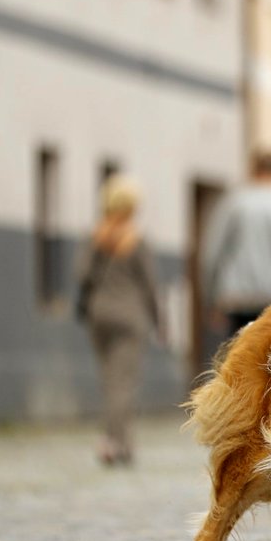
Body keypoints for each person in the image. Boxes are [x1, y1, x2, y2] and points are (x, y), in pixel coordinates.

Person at [76, 175, 162, 467]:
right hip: (131, 315)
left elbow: (82, 274)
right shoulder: (136, 241)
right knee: (123, 382)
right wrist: (159, 319)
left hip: (99, 314)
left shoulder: (95, 237)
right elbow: (150, 284)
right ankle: (116, 442)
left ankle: (119, 440)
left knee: (109, 379)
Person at [201, 151, 271, 338]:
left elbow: (212, 253)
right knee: (267, 359)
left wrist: (210, 298)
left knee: (237, 355)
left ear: (252, 169)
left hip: (237, 299)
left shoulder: (234, 204)